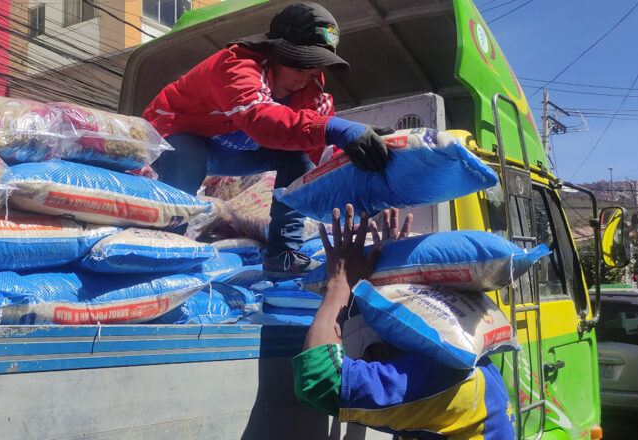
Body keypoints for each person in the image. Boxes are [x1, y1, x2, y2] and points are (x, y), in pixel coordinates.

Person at [143, 2, 393, 278]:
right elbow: (263, 121)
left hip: (228, 148)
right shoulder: (237, 65)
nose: (303, 80)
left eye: (312, 70)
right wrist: (336, 128)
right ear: (274, 50)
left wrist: (358, 173)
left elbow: (316, 158)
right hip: (172, 136)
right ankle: (166, 245)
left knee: (297, 152)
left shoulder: (311, 90)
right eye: (299, 67)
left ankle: (282, 254)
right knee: (188, 155)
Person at [292, 204, 517, 440]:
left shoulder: (442, 382)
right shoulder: (467, 358)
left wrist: (339, 283)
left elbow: (320, 380)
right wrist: (388, 268)